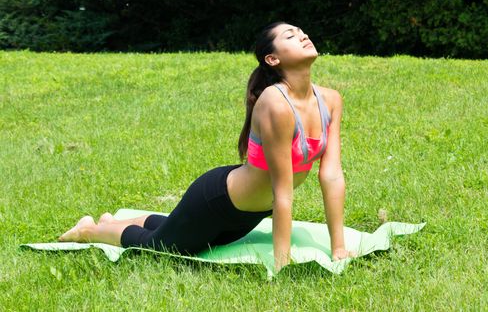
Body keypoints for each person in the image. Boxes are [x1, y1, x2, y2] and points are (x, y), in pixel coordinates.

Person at [59, 21, 355, 272]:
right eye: (290, 36)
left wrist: (338, 248)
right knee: (162, 247)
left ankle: (114, 221)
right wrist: (281, 264)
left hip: (252, 213)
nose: (302, 35)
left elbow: (331, 176)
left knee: (186, 234)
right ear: (272, 59)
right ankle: (91, 229)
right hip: (218, 200)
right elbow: (283, 188)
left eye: (301, 32)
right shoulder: (276, 103)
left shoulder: (330, 100)